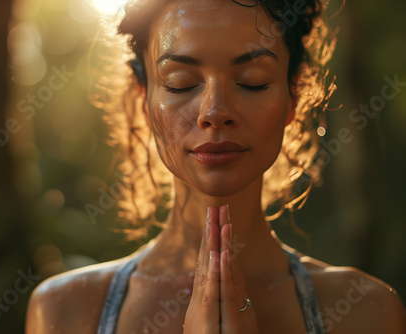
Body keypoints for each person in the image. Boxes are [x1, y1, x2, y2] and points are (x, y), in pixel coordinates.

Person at [25, 0, 406, 333]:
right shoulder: (68, 310)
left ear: (295, 95)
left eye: (252, 82)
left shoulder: (364, 311)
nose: (214, 112)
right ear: (144, 99)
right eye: (181, 83)